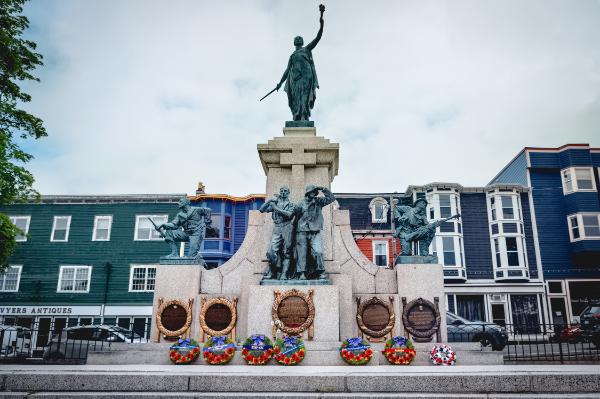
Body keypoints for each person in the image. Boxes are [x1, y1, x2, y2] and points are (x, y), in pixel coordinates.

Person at [276, 5, 325, 121]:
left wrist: (321, 23)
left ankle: (304, 116)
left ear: (302, 42)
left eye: (299, 38)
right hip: (295, 78)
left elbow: (318, 37)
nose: (298, 39)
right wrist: (280, 83)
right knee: (295, 97)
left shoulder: (306, 49)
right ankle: (296, 115)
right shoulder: (292, 56)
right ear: (294, 42)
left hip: (306, 76)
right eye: (296, 39)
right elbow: (287, 70)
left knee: (304, 95)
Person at [294, 184, 335, 279]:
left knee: (318, 252)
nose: (313, 193)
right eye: (311, 191)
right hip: (302, 231)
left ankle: (321, 271)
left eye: (314, 191)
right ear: (307, 193)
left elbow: (331, 198)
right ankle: (301, 273)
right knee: (302, 253)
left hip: (315, 231)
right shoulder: (300, 203)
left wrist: (323, 189)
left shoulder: (318, 201)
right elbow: (295, 217)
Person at [259, 186, 295, 279]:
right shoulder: (275, 203)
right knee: (271, 252)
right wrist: (269, 200)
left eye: (285, 191)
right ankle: (272, 272)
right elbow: (261, 210)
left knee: (287, 251)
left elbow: (289, 215)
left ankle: (284, 274)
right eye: (282, 191)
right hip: (277, 227)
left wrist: (276, 208)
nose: (283, 192)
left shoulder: (291, 204)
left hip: (287, 227)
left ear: (288, 193)